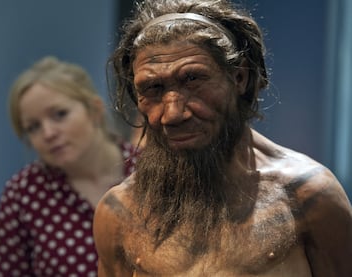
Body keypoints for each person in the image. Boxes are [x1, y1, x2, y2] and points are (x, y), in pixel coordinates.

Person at [93, 0, 352, 276]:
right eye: (153, 88)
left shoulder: (308, 196)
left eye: (193, 80)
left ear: (238, 77)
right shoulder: (120, 214)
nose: (172, 114)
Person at [0, 56, 138, 277]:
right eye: (33, 127)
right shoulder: (22, 194)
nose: (48, 133)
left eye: (60, 114)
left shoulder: (149, 168)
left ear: (94, 109)